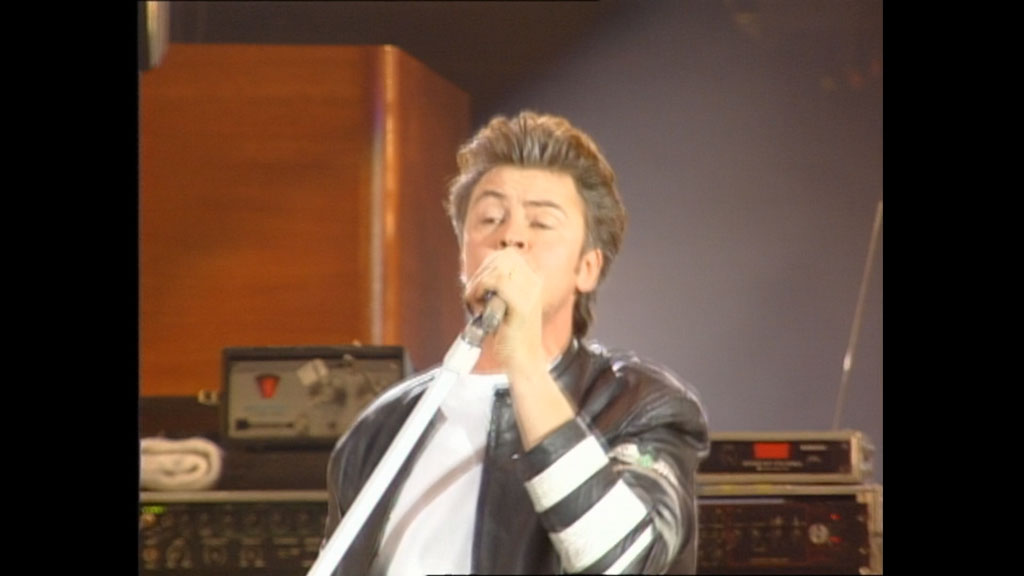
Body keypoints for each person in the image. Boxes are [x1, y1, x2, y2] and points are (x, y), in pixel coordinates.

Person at [322, 110, 710, 575]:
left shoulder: (640, 407)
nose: (510, 237)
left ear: (587, 267)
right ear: (463, 255)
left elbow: (623, 561)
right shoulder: (384, 427)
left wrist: (522, 358)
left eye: (541, 223)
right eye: (490, 218)